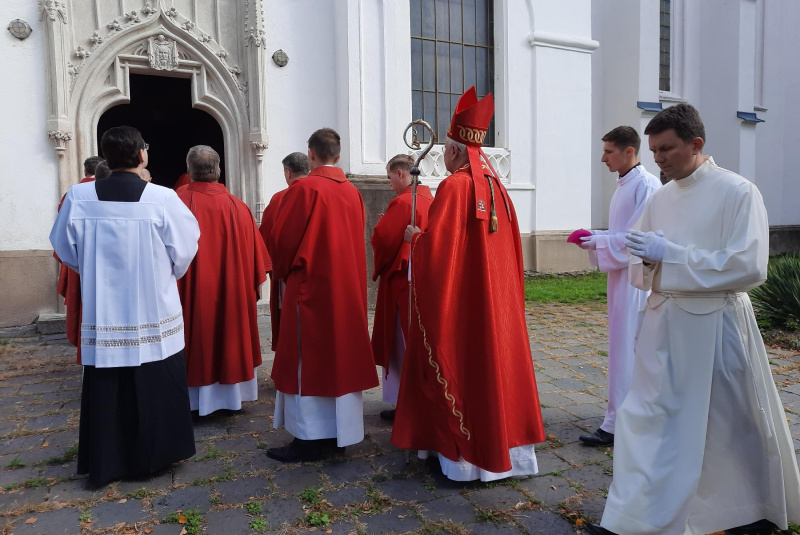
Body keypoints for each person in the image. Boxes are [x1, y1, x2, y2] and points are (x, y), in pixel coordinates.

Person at [586, 104, 800, 535]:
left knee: (725, 427)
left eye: (667, 148)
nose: (659, 158)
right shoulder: (661, 197)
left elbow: (750, 266)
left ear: (696, 144)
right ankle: (631, 521)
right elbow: (638, 267)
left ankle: (746, 512)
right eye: (654, 149)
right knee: (645, 421)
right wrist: (644, 259)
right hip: (664, 325)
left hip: (716, 326)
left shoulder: (739, 192)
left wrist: (675, 255)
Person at [391, 87, 546, 482]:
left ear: (457, 150)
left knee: (460, 361)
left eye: (446, 147)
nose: (444, 154)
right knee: (496, 368)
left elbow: (439, 253)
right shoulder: (497, 187)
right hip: (496, 302)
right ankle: (507, 449)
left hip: (463, 304)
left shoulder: (455, 187)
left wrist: (415, 240)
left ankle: (464, 459)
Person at [50, 126, 200, 487]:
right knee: (155, 380)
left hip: (105, 312)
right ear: (142, 156)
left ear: (106, 157)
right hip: (153, 309)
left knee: (109, 384)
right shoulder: (163, 199)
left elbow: (64, 248)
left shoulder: (78, 197)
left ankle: (108, 459)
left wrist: (93, 268)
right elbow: (185, 250)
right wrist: (164, 275)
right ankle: (156, 456)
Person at [267, 128, 378, 462]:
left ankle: (309, 439)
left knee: (309, 362)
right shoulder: (353, 193)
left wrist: (283, 274)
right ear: (339, 155)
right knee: (340, 360)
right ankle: (340, 433)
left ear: (311, 154)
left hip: (311, 290)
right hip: (345, 290)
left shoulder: (304, 189)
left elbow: (283, 242)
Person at [570, 126, 660, 447]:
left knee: (627, 348)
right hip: (621, 277)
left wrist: (600, 240)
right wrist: (597, 238)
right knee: (621, 347)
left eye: (608, 152)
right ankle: (623, 416)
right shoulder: (625, 184)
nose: (602, 158)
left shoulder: (646, 185)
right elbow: (622, 232)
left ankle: (618, 423)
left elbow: (639, 238)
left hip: (636, 279)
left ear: (629, 152)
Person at [176, 146, 270, 416]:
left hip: (191, 295)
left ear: (190, 170)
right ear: (218, 171)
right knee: (229, 331)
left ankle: (194, 400)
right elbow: (257, 261)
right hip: (232, 293)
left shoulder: (174, 202)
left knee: (196, 337)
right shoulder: (238, 207)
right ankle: (232, 398)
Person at [370, 154, 433, 422]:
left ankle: (405, 403)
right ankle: (415, 401)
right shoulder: (431, 200)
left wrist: (381, 226)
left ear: (399, 173)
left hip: (401, 284)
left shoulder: (404, 201)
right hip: (425, 281)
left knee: (402, 344)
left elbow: (383, 239)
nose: (390, 185)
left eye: (389, 178)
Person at [55, 156, 104, 363]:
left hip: (78, 260)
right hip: (103, 262)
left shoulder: (72, 194)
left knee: (81, 305)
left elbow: (60, 236)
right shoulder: (107, 192)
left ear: (85, 171)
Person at [259, 152, 309, 351]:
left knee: (291, 325)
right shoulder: (325, 193)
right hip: (319, 275)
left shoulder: (281, 198)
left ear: (288, 173)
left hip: (288, 275)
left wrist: (275, 270)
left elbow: (267, 238)